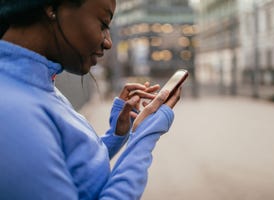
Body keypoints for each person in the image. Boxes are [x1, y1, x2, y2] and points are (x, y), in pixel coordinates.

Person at [0, 0, 182, 199]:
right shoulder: (10, 115)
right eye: (103, 24)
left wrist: (116, 134)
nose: (108, 42)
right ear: (51, 7)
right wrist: (144, 136)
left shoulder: (38, 83)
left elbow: (76, 171)